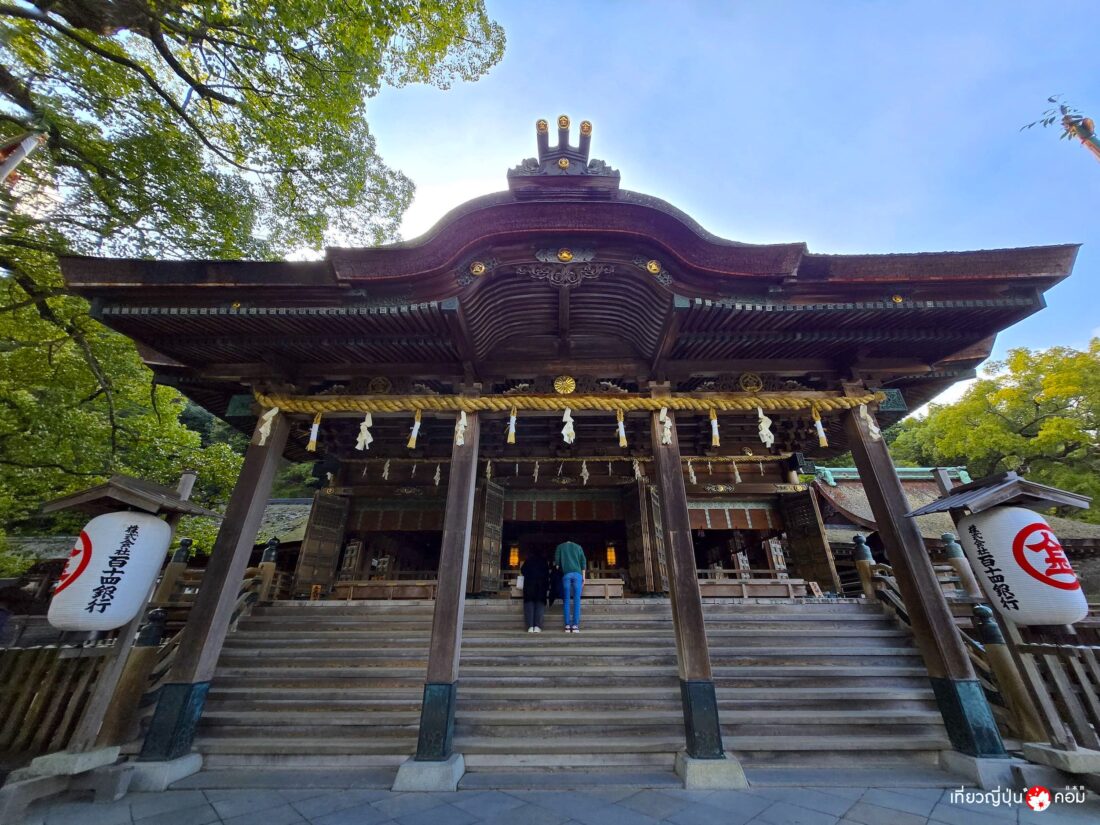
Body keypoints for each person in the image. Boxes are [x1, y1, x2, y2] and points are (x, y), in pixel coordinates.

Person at [554, 539, 586, 633]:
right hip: (578, 574)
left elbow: (557, 564)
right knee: (577, 600)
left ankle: (567, 626)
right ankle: (575, 626)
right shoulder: (578, 547)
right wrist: (584, 577)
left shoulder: (560, 547)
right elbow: (583, 562)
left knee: (566, 600)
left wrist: (560, 565)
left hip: (566, 575)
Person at [520, 552, 550, 633]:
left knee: (529, 606)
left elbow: (523, 570)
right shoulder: (544, 561)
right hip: (541, 586)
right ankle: (537, 626)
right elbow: (547, 574)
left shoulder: (528, 560)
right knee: (539, 606)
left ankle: (530, 626)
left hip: (529, 586)